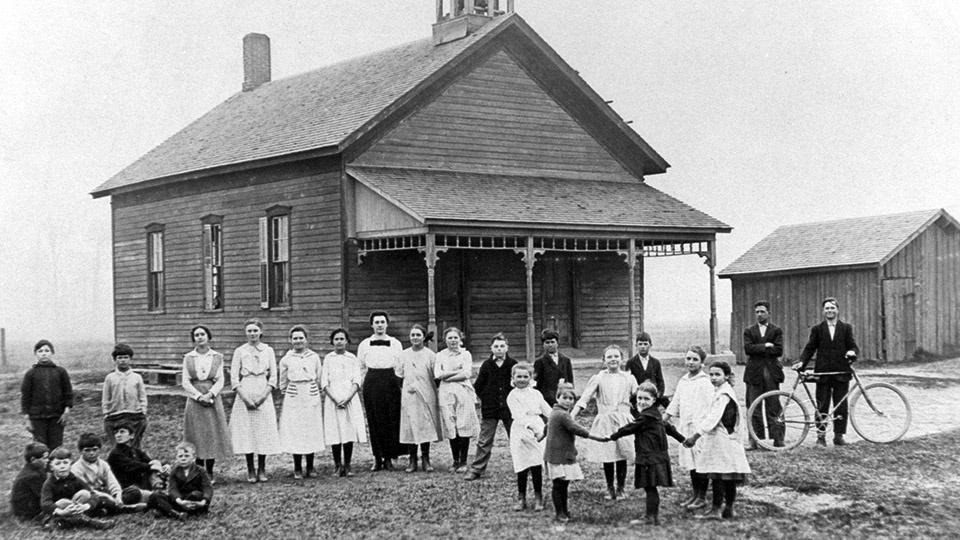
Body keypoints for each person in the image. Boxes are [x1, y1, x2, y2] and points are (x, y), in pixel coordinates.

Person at [610, 382, 687, 526]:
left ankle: (651, 517)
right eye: (639, 398)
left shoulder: (646, 416)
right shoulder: (655, 414)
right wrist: (682, 439)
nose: (642, 402)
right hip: (656, 456)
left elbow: (630, 427)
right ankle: (652, 515)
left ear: (653, 400)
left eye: (646, 399)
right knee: (650, 487)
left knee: (650, 487)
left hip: (649, 456)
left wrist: (613, 435)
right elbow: (669, 428)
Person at [683, 361, 752, 520]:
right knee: (727, 476)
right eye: (711, 374)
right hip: (727, 439)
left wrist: (695, 436)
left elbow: (713, 418)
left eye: (717, 374)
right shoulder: (722, 391)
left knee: (719, 476)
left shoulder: (723, 394)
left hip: (722, 440)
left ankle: (718, 509)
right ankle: (728, 508)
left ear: (726, 376)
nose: (713, 378)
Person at [571, 344, 638, 500]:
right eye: (609, 357)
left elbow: (638, 398)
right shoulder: (599, 378)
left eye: (616, 356)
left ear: (622, 359)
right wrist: (572, 414)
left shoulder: (629, 378)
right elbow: (585, 398)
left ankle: (621, 488)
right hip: (605, 419)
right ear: (603, 360)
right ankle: (610, 487)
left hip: (624, 419)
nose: (613, 359)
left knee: (622, 453)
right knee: (608, 454)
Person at [796, 297, 860, 446]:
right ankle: (821, 437)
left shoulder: (846, 328)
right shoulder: (817, 329)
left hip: (841, 373)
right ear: (823, 311)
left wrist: (852, 353)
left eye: (832, 308)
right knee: (822, 405)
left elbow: (853, 346)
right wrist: (801, 362)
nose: (830, 311)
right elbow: (810, 348)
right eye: (827, 308)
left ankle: (839, 436)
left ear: (837, 310)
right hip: (823, 373)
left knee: (841, 406)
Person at [545, 384, 608, 523]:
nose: (568, 401)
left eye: (571, 398)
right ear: (557, 398)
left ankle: (564, 510)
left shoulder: (556, 412)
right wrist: (599, 438)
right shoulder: (562, 414)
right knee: (559, 484)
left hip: (559, 453)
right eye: (564, 398)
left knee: (563, 484)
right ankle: (560, 513)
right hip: (558, 455)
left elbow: (547, 428)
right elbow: (577, 429)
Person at [230, 318, 282, 483]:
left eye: (255, 330)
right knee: (247, 431)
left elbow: (273, 376)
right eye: (249, 331)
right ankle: (250, 469)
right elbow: (233, 377)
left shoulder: (268, 350)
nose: (252, 334)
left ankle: (261, 467)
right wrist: (244, 397)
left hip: (263, 390)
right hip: (245, 390)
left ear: (261, 332)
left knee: (262, 430)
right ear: (245, 333)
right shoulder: (240, 351)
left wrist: (263, 396)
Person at [663, 346, 715, 510]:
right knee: (691, 462)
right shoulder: (683, 380)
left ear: (702, 363)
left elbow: (712, 407)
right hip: (686, 427)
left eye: (695, 359)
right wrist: (663, 418)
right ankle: (695, 494)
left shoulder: (706, 383)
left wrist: (704, 428)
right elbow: (675, 403)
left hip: (700, 429)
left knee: (701, 462)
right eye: (688, 359)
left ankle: (702, 496)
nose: (691, 362)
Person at [181, 325, 232, 480]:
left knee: (211, 433)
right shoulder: (189, 357)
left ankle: (209, 471)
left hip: (211, 398)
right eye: (196, 335)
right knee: (196, 434)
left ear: (208, 336)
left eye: (203, 334)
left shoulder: (217, 357)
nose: (200, 337)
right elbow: (185, 381)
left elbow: (221, 380)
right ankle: (198, 470)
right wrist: (198, 396)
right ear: (193, 339)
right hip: (195, 400)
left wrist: (210, 394)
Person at [465, 332, 517, 481]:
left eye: (502, 346)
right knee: (484, 440)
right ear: (491, 348)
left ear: (507, 348)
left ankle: (524, 466)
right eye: (496, 346)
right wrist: (487, 399)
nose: (499, 349)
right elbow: (478, 386)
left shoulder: (513, 364)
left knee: (516, 438)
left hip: (510, 409)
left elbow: (519, 384)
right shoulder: (487, 365)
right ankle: (477, 469)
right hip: (490, 409)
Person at [357, 311, 404, 471]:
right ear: (372, 325)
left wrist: (396, 383)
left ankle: (389, 457)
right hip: (372, 381)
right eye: (376, 322)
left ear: (387, 324)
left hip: (390, 381)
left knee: (390, 419)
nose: (379, 325)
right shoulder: (364, 344)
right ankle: (377, 457)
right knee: (374, 419)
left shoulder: (395, 343)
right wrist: (365, 384)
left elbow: (399, 364)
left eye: (382, 322)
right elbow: (361, 366)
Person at [278, 325, 324, 479]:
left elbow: (318, 376)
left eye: (301, 338)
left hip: (310, 393)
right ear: (290, 340)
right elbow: (282, 381)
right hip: (294, 395)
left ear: (306, 339)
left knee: (310, 428)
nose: (298, 341)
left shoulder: (314, 357)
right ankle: (297, 467)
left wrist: (314, 389)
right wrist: (289, 392)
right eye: (295, 338)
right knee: (296, 430)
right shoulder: (286, 359)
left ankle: (310, 466)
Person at [395, 324, 442, 473]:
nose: (415, 338)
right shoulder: (403, 354)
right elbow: (398, 376)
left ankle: (426, 459)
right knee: (410, 425)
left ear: (423, 337)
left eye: (418, 335)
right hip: (409, 395)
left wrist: (427, 389)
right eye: (413, 335)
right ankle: (412, 460)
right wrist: (407, 388)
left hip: (426, 394)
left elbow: (437, 378)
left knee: (425, 425)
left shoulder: (430, 355)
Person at [506, 363, 552, 511]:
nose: (522, 379)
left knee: (536, 463)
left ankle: (538, 497)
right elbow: (519, 416)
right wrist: (532, 428)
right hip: (521, 430)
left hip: (537, 428)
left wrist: (557, 418)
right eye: (518, 376)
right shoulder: (512, 396)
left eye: (525, 376)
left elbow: (546, 409)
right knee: (522, 465)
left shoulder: (536, 394)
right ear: (513, 378)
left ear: (531, 378)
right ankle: (521, 498)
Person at [322, 328, 367, 477]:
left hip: (349, 399)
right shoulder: (328, 358)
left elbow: (357, 380)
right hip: (333, 399)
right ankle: (337, 465)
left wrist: (347, 398)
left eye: (342, 339)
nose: (339, 341)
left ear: (347, 341)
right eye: (336, 339)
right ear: (332, 342)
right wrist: (335, 399)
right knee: (335, 431)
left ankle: (347, 465)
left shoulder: (352, 358)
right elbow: (324, 382)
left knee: (348, 431)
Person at [435, 326, 479, 473]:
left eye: (455, 337)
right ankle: (455, 460)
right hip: (446, 391)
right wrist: (455, 371)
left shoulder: (465, 354)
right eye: (450, 338)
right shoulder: (440, 355)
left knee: (463, 423)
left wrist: (448, 374)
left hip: (463, 390)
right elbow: (438, 374)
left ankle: (463, 461)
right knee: (450, 423)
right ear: (445, 340)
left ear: (460, 339)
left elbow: (466, 373)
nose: (453, 340)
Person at [743, 301, 785, 449]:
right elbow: (748, 349)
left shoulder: (776, 330)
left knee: (774, 406)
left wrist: (758, 349)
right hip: (754, 373)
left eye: (762, 311)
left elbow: (779, 350)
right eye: (757, 312)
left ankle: (778, 439)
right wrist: (766, 346)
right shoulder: (749, 331)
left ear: (768, 313)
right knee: (753, 407)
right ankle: (754, 440)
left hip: (771, 373)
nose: (759, 314)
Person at [40, 447, 114, 530]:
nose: (62, 467)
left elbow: (92, 494)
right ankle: (91, 522)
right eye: (58, 464)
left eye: (65, 463)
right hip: (59, 512)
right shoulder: (49, 483)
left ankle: (80, 517)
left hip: (76, 507)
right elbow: (45, 503)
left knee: (85, 493)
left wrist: (86, 506)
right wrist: (62, 512)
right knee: (63, 503)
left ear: (70, 464)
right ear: (51, 467)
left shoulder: (74, 479)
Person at [21, 339, 73, 450]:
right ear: (35, 354)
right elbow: (25, 397)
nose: (43, 353)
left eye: (47, 350)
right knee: (40, 448)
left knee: (56, 448)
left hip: (57, 417)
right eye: (40, 351)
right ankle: (42, 467)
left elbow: (68, 392)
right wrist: (27, 419)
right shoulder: (31, 374)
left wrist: (66, 411)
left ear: (52, 353)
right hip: (37, 418)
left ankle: (56, 466)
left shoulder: (60, 372)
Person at [148, 442, 214, 520]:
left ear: (193, 457)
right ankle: (176, 514)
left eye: (187, 456)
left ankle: (167, 511)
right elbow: (173, 489)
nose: (183, 458)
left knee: (196, 494)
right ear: (177, 458)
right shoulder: (175, 471)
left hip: (195, 500)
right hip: (180, 500)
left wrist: (202, 502)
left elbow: (207, 487)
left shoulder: (200, 470)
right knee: (155, 495)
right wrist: (180, 502)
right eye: (180, 456)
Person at [102, 343, 148, 448]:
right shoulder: (110, 377)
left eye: (126, 357)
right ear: (115, 359)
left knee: (135, 444)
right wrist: (106, 412)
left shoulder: (137, 377)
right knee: (117, 445)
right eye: (120, 357)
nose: (123, 360)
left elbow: (142, 396)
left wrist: (143, 409)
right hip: (116, 414)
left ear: (130, 359)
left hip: (134, 414)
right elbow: (106, 397)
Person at [70, 433, 128, 515]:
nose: (91, 453)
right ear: (80, 451)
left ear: (100, 449)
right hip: (91, 496)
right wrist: (108, 497)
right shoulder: (76, 468)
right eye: (87, 450)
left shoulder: (103, 464)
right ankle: (118, 508)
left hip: (105, 492)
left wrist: (117, 495)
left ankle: (116, 506)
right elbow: (87, 490)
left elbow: (112, 481)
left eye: (94, 449)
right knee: (104, 502)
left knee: (132, 492)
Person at [106, 425, 167, 495]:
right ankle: (158, 489)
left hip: (140, 486)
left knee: (155, 463)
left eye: (122, 432)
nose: (118, 435)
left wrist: (163, 466)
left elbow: (149, 461)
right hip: (126, 490)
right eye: (116, 433)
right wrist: (151, 466)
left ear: (131, 435)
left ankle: (158, 488)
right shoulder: (115, 454)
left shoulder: (135, 451)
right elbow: (132, 466)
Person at [9, 442, 49, 522]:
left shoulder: (34, 469)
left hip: (26, 508)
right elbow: (44, 495)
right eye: (44, 458)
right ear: (33, 459)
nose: (47, 460)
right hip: (28, 513)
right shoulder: (33, 476)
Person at [533, 330, 574, 407]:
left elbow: (570, 380)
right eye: (547, 342)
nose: (550, 345)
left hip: (563, 398)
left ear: (557, 343)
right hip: (546, 400)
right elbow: (537, 384)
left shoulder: (566, 360)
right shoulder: (540, 362)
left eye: (552, 342)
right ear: (543, 345)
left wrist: (570, 394)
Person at [624, 332, 665, 405]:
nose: (643, 347)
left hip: (652, 399)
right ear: (636, 345)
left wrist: (657, 396)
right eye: (640, 344)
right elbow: (627, 382)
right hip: (637, 400)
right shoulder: (630, 362)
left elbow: (660, 382)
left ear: (650, 345)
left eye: (645, 344)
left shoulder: (655, 362)